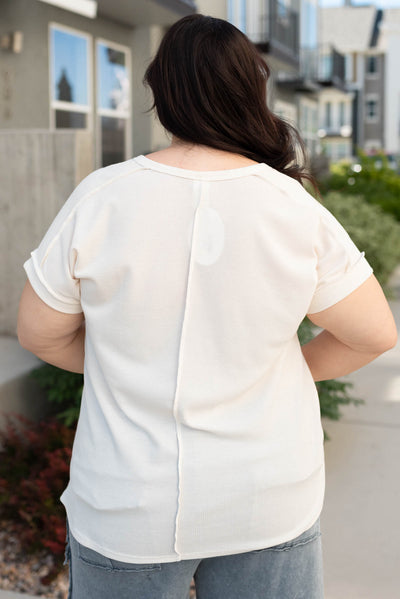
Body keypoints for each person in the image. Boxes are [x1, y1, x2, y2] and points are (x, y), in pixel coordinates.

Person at [17, 14, 397, 599]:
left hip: (126, 505)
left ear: (161, 94)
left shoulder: (102, 197)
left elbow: (40, 334)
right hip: (267, 500)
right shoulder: (290, 207)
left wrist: (130, 368)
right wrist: (282, 372)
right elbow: (372, 333)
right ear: (252, 92)